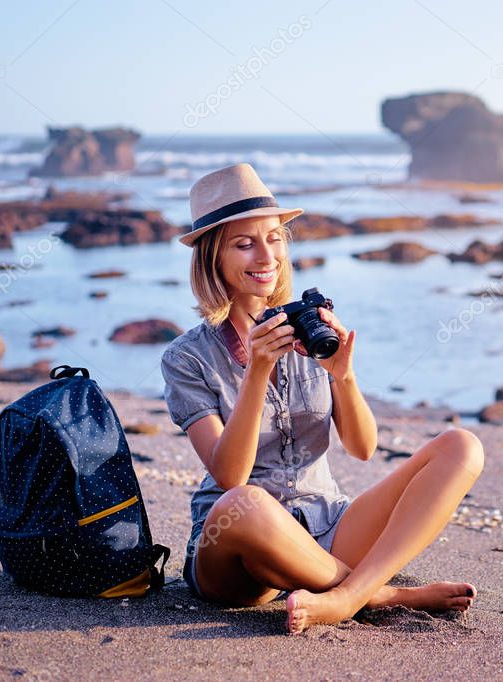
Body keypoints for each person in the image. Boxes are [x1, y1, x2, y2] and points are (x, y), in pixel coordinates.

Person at [160, 163, 485, 634]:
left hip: (327, 527)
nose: (265, 254)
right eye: (244, 243)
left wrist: (343, 376)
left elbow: (362, 448)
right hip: (238, 550)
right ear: (214, 258)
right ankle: (380, 594)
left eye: (273, 238)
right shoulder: (187, 357)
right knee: (244, 501)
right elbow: (229, 476)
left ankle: (347, 595)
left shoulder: (309, 332)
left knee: (461, 445)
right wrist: (257, 373)